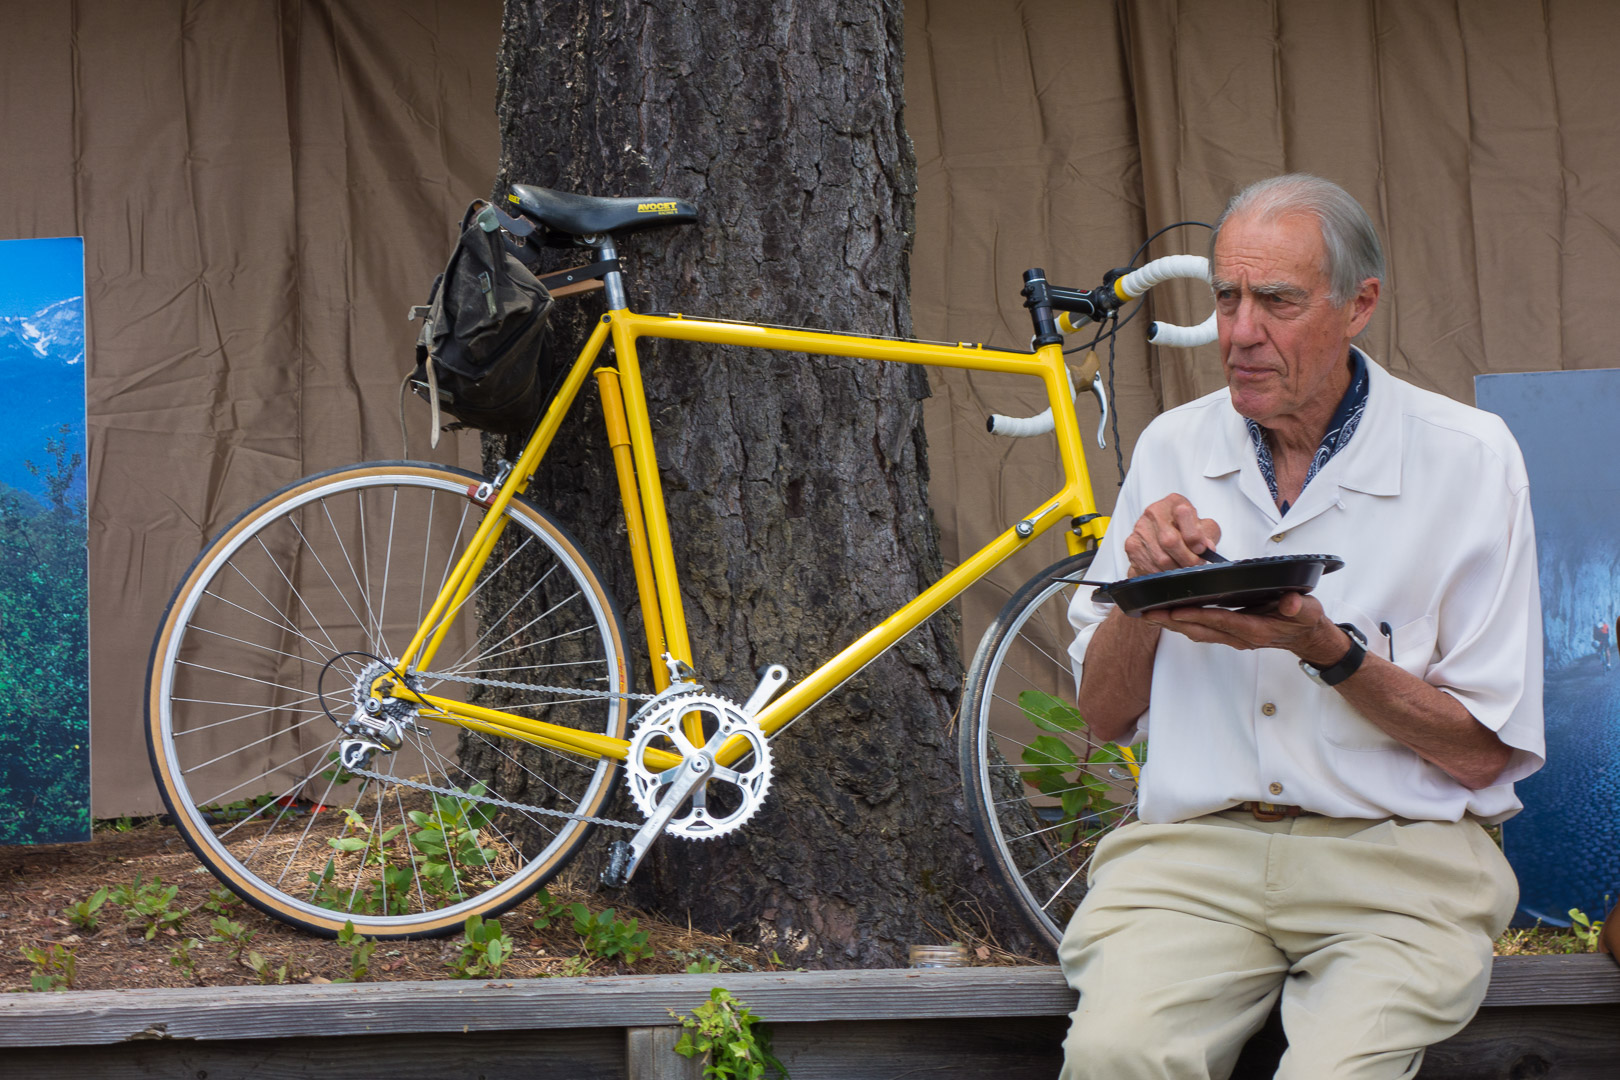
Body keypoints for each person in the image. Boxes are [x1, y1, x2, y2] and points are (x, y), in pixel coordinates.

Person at [1060, 174, 1544, 1079]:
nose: (1239, 333)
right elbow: (1102, 715)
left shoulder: (1467, 458)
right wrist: (1144, 590)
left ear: (1359, 305)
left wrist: (1328, 651)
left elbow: (1483, 754)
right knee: (1116, 1055)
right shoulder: (1173, 446)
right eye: (1227, 298)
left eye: (1277, 301)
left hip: (1401, 862)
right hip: (1193, 861)